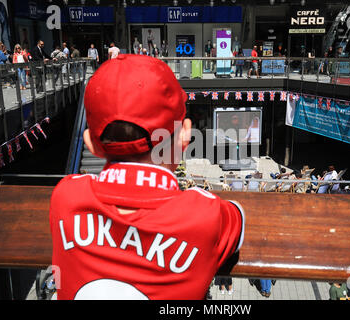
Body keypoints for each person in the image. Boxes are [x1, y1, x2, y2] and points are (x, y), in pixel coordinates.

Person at [49, 54, 245, 300]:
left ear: (92, 145)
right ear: (185, 137)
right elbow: (238, 220)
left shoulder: (66, 197)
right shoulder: (205, 215)